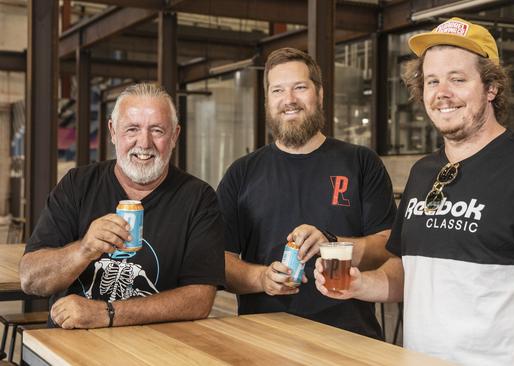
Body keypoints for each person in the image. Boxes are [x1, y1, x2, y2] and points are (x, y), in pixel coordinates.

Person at [315, 17, 514, 365]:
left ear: (491, 87)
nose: (442, 93)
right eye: (432, 81)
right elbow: (407, 272)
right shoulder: (423, 172)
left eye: (458, 79)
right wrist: (360, 285)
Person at [216, 47, 396, 339]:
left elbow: (388, 246)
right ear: (267, 100)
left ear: (320, 94)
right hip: (263, 339)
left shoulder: (361, 162)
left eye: (300, 87)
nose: (289, 100)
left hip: (348, 339)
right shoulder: (242, 172)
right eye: (278, 90)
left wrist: (334, 243)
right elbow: (219, 259)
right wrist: (261, 278)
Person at [20, 83, 225, 329]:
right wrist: (84, 249)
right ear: (113, 132)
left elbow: (200, 299)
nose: (144, 142)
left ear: (175, 136)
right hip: (71, 346)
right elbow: (30, 280)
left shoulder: (198, 198)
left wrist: (107, 313)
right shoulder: (77, 185)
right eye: (132, 129)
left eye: (157, 130)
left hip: (156, 348)